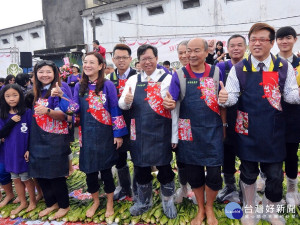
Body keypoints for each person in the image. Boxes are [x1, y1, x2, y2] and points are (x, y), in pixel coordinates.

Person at [218, 23, 300, 225]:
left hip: (274, 129)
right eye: (253, 39)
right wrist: (223, 98)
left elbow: (289, 95)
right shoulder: (240, 68)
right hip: (247, 130)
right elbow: (232, 98)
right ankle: (250, 209)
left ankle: (270, 211)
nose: (256, 43)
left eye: (262, 39)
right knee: (248, 173)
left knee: (273, 174)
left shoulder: (283, 67)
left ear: (271, 43)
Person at [54, 52, 128, 218]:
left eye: (91, 62)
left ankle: (109, 202)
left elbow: (115, 108)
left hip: (105, 135)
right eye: (85, 62)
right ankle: (95, 201)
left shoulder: (107, 85)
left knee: (106, 171)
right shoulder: (79, 86)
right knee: (90, 173)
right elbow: (73, 109)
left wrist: (118, 134)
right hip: (86, 136)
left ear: (101, 66)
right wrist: (61, 96)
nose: (87, 65)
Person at [164, 38, 225, 225]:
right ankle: (200, 208)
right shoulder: (180, 75)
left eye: (196, 50)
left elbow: (222, 101)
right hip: (188, 131)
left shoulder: (216, 72)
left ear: (207, 52)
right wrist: (168, 103)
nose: (191, 54)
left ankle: (210, 206)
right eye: (188, 50)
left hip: (212, 130)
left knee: (214, 173)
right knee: (194, 174)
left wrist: (224, 125)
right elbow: (171, 100)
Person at [119, 44, 177, 219]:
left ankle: (168, 201)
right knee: (142, 169)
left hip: (161, 131)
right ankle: (145, 201)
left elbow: (175, 108)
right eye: (143, 59)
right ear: (139, 62)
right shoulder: (133, 80)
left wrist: (175, 135)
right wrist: (127, 101)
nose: (147, 62)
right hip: (139, 132)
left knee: (164, 169)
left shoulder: (168, 78)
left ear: (156, 59)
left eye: (150, 58)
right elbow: (122, 104)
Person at [28, 60, 70, 219]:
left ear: (55, 74)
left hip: (55, 137)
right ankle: (51, 203)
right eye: (41, 72)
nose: (44, 75)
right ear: (36, 74)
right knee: (40, 172)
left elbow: (66, 115)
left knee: (56, 173)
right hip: (37, 137)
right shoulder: (34, 91)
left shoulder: (61, 88)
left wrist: (47, 111)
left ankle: (64, 205)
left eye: (48, 72)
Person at [215, 34, 247, 204]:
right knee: (226, 151)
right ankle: (229, 186)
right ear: (227, 48)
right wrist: (223, 122)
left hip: (247, 116)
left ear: (245, 48)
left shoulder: (250, 67)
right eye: (232, 45)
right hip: (226, 115)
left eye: (239, 45)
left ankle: (246, 186)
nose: (236, 48)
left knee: (246, 152)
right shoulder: (220, 67)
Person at [0, 84, 36, 215]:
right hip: (10, 152)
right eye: (7, 96)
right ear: (3, 98)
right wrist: (11, 122)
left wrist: (29, 149)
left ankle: (32, 201)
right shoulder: (3, 115)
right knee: (15, 179)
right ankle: (23, 202)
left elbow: (33, 132)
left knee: (26, 178)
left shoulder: (26, 112)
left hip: (23, 152)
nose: (11, 98)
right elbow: (1, 133)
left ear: (20, 96)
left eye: (15, 95)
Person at [109, 43, 136, 201]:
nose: (121, 61)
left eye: (124, 57)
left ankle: (138, 187)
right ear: (113, 59)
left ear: (130, 59)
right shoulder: (108, 79)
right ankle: (124, 187)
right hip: (116, 126)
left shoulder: (137, 76)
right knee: (119, 157)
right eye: (117, 58)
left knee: (137, 157)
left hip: (134, 123)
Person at [276, 26, 300, 206]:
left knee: (291, 153)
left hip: (294, 117)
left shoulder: (299, 65)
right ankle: (271, 188)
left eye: (288, 37)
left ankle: (292, 190)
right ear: (276, 41)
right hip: (271, 116)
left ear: (295, 40)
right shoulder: (269, 63)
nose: (284, 41)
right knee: (270, 153)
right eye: (280, 38)